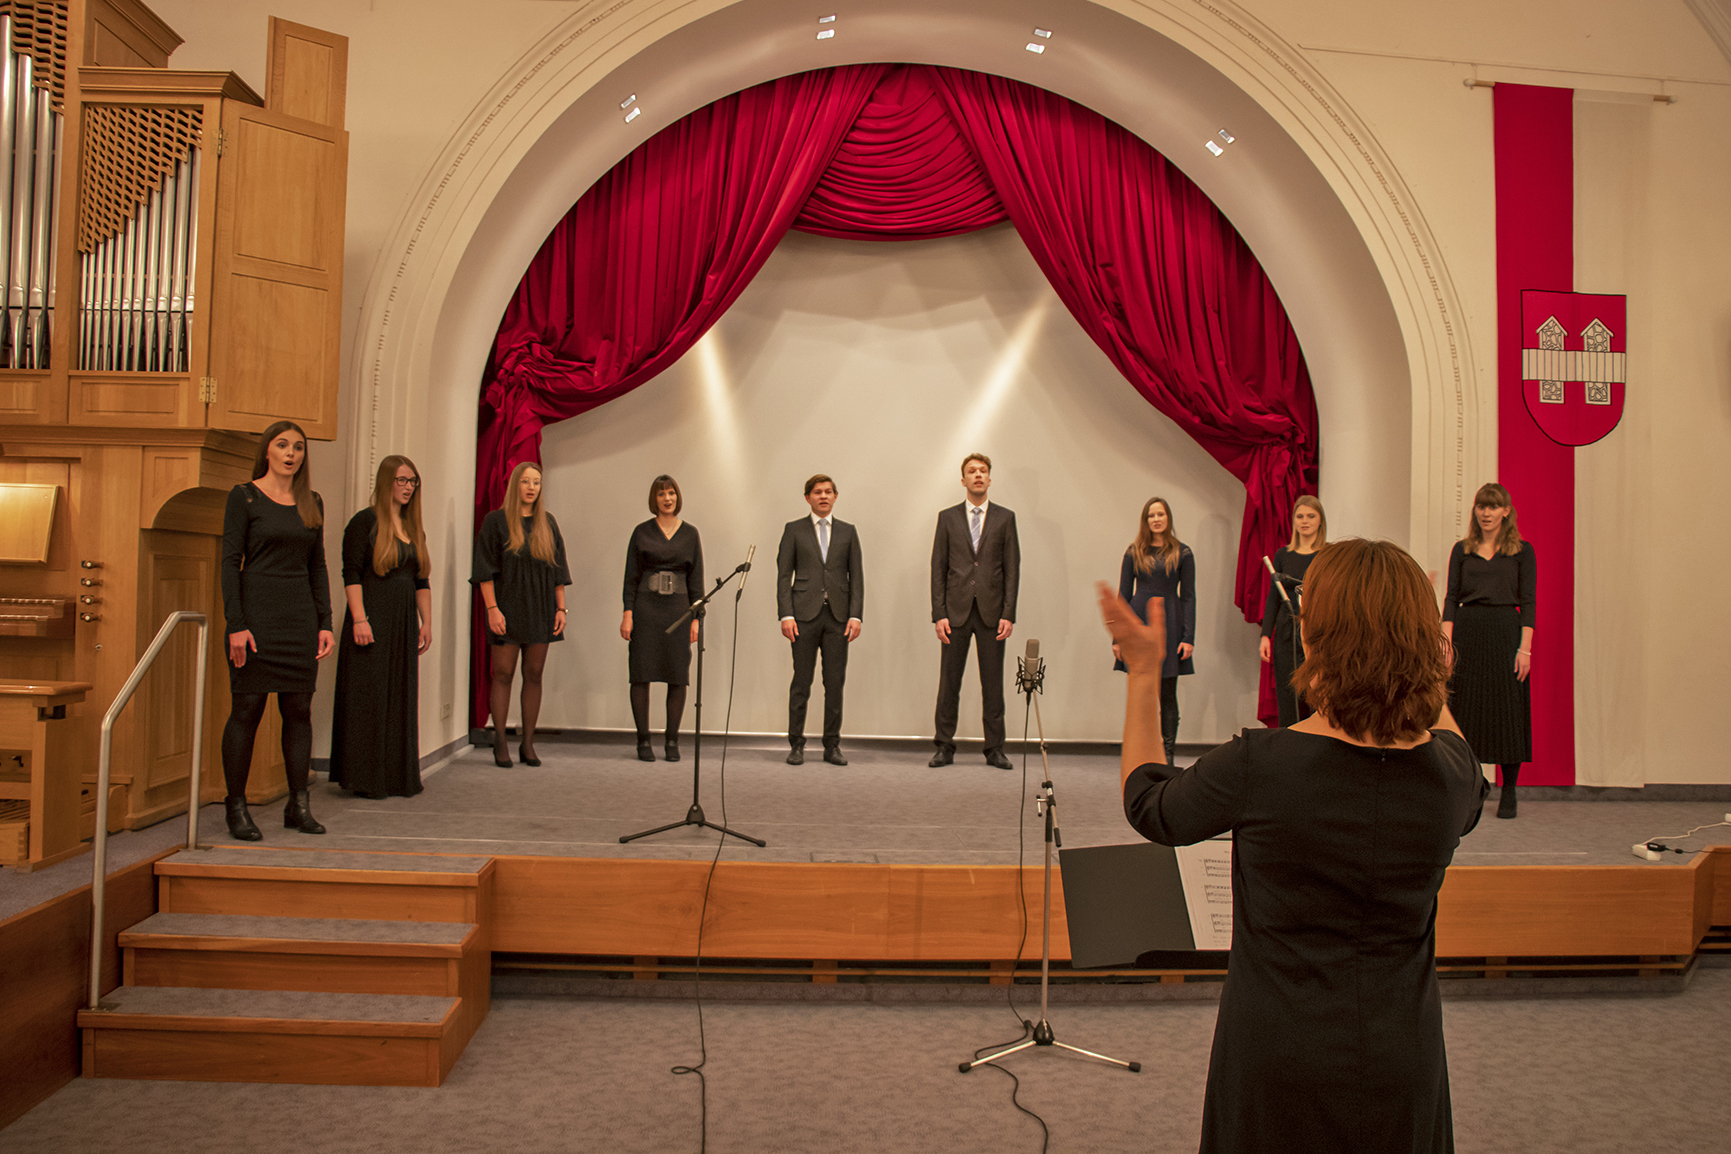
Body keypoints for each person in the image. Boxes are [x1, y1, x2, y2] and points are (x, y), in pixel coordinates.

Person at [1102, 538, 1486, 1154]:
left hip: (1277, 1057)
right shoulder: (1452, 775)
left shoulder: (1262, 764)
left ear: (1313, 640)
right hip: (1402, 1055)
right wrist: (1426, 671)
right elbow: (1448, 736)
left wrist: (1144, 674)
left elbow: (1150, 802)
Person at [219, 420, 335, 841]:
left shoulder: (312, 501)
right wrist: (236, 624)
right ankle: (236, 807)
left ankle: (298, 804)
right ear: (267, 451)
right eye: (283, 445)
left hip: (299, 618)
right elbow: (230, 562)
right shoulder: (244, 496)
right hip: (256, 617)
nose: (291, 453)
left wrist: (325, 622)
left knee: (298, 711)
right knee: (247, 710)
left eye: (299, 447)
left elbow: (317, 565)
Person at [330, 455, 432, 798]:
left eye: (412, 481)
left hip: (403, 623)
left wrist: (426, 621)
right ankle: (365, 776)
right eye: (401, 480)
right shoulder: (365, 522)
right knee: (369, 696)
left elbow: (421, 580)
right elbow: (351, 573)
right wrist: (360, 618)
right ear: (386, 481)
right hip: (372, 618)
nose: (407, 488)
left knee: (399, 695)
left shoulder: (413, 527)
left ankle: (395, 775)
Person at [1443, 482, 1536, 818]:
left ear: (1505, 511)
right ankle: (1475, 788)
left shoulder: (1522, 552)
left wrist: (1524, 650)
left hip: (1505, 635)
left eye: (1493, 506)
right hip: (1468, 634)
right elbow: (1451, 598)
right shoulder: (1462, 550)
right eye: (1481, 506)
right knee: (1466, 712)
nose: (1486, 512)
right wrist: (1446, 644)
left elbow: (1528, 602)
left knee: (1508, 711)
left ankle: (1509, 790)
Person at [472, 462, 570, 768]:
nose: (531, 487)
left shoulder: (547, 523)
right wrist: (492, 610)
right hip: (506, 609)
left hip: (541, 609)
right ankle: (500, 740)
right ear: (515, 485)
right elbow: (484, 571)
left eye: (536, 482)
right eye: (526, 482)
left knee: (534, 675)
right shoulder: (495, 521)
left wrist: (562, 608)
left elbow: (558, 570)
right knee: (502, 674)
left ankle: (527, 742)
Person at [929, 452, 1020, 769]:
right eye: (972, 471)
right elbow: (938, 568)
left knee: (993, 684)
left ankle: (995, 749)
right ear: (963, 479)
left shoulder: (1005, 518)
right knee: (949, 683)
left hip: (992, 614)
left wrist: (1008, 613)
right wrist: (938, 613)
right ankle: (944, 746)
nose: (978, 475)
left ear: (990, 479)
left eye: (983, 471)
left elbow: (1012, 569)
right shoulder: (947, 517)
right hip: (954, 613)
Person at [777, 474, 864, 766]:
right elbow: (782, 576)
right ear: (808, 498)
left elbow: (857, 578)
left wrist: (855, 615)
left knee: (835, 683)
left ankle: (832, 745)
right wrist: (786, 614)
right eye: (817, 492)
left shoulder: (848, 532)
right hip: (802, 616)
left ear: (835, 496)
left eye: (828, 492)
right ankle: (796, 745)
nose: (823, 496)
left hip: (838, 617)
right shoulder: (794, 530)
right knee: (801, 682)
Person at [620, 475, 702, 762]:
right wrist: (627, 613)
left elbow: (697, 580)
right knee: (641, 674)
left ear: (677, 497)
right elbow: (631, 577)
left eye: (671, 493)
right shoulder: (641, 531)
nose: (667, 498)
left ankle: (672, 741)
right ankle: (643, 741)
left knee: (676, 675)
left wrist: (696, 617)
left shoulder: (690, 533)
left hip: (678, 610)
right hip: (646, 609)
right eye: (661, 494)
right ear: (654, 500)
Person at [1112, 497, 1195, 765]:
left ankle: (1167, 755)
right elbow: (1123, 595)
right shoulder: (1133, 552)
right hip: (1138, 622)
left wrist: (1188, 637)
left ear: (1168, 518)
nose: (1156, 519)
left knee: (1168, 692)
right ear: (1145, 520)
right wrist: (1118, 638)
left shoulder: (1183, 553)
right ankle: (1142, 753)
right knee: (1141, 691)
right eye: (1151, 515)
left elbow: (1189, 597)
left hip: (1171, 624)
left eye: (1160, 514)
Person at [1259, 494, 1327, 726]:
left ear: (1320, 520)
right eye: (1300, 516)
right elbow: (1273, 598)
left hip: (1317, 631)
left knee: (1316, 689)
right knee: (1288, 692)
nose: (1305, 521)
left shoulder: (1328, 554)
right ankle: (1289, 744)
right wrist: (1266, 635)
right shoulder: (1282, 555)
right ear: (1294, 521)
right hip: (1287, 632)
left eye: (1310, 516)